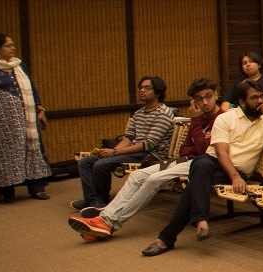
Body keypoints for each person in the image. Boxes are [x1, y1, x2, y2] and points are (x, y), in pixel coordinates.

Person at [141, 82, 263, 256]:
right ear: (242, 102)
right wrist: (234, 177)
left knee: (196, 182)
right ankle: (191, 225)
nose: (260, 101)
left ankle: (175, 234)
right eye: (254, 98)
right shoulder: (225, 118)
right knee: (201, 163)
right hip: (215, 163)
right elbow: (221, 152)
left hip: (237, 170)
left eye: (261, 96)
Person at [68, 78, 224, 241]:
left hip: (203, 165)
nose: (205, 102)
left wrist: (196, 125)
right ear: (194, 101)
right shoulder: (198, 119)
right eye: (199, 99)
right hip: (184, 160)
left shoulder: (221, 119)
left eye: (208, 96)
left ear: (216, 94)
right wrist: (198, 139)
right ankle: (104, 218)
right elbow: (184, 148)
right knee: (137, 176)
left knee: (153, 180)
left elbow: (204, 151)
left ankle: (109, 222)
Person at [72, 76, 175, 212]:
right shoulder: (138, 114)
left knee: (101, 165)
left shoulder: (164, 114)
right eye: (141, 88)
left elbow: (148, 144)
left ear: (158, 92)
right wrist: (110, 153)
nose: (142, 91)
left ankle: (100, 202)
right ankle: (92, 201)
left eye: (147, 88)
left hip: (151, 155)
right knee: (85, 162)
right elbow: (128, 138)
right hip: (135, 151)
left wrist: (114, 153)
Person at [0, 33, 51, 202]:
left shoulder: (20, 66)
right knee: (6, 154)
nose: (13, 48)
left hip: (26, 118)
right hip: (2, 121)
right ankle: (7, 191)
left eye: (13, 45)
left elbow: (32, 88)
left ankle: (36, 188)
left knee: (31, 149)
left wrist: (40, 109)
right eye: (8, 46)